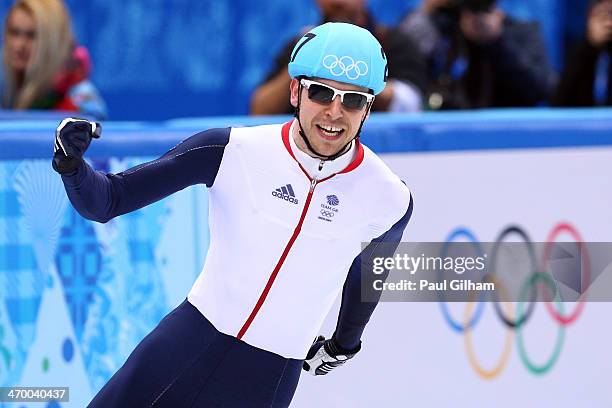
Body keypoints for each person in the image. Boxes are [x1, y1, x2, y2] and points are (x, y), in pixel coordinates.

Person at [52, 22, 413, 407]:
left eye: (353, 100)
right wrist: (72, 166)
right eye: (322, 93)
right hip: (184, 347)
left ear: (369, 109)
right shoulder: (230, 150)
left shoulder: (388, 197)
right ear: (295, 91)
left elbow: (367, 276)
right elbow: (108, 200)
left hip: (266, 382)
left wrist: (344, 344)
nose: (335, 112)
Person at [250, 0, 428, 114]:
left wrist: (360, 79)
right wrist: (303, 63)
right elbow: (260, 109)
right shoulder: (302, 44)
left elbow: (411, 103)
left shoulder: (391, 41)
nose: (337, 2)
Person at [400, 0, 556, 109]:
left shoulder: (520, 31)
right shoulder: (444, 28)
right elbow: (404, 59)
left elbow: (541, 88)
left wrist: (496, 42)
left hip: (506, 128)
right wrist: (426, 11)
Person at [1, 0, 106, 119]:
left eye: (32, 35)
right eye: (14, 33)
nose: (19, 45)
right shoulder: (10, 94)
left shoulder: (80, 100)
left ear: (54, 41)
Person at [552, 0, 612, 106]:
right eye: (603, 14)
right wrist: (589, 46)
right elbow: (560, 103)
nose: (608, 23)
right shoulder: (580, 52)